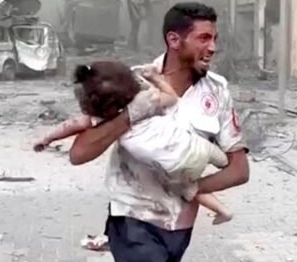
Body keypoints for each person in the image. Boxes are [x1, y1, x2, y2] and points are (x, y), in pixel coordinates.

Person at [69, 2, 250, 262]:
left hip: (179, 227)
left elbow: (239, 170)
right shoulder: (131, 84)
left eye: (214, 39)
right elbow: (79, 153)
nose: (212, 47)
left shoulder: (218, 92)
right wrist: (130, 115)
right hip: (133, 219)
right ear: (174, 40)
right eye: (203, 38)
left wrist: (193, 188)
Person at [34, 60, 234, 225]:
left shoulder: (103, 119)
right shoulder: (146, 101)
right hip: (197, 147)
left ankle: (222, 210)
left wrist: (48, 138)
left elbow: (71, 125)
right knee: (214, 156)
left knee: (188, 189)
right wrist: (154, 79)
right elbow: (173, 98)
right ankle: (225, 162)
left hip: (174, 165)